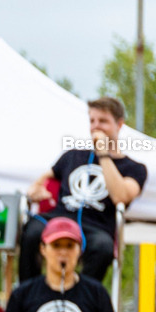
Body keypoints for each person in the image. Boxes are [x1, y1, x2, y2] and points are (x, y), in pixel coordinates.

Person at [20, 96, 147, 283]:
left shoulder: (134, 168)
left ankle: (79, 299)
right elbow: (44, 178)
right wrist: (34, 190)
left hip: (96, 227)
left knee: (102, 249)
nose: (96, 127)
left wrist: (103, 153)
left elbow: (121, 196)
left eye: (103, 121)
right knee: (31, 232)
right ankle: (29, 295)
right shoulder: (73, 155)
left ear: (119, 125)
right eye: (92, 121)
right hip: (60, 218)